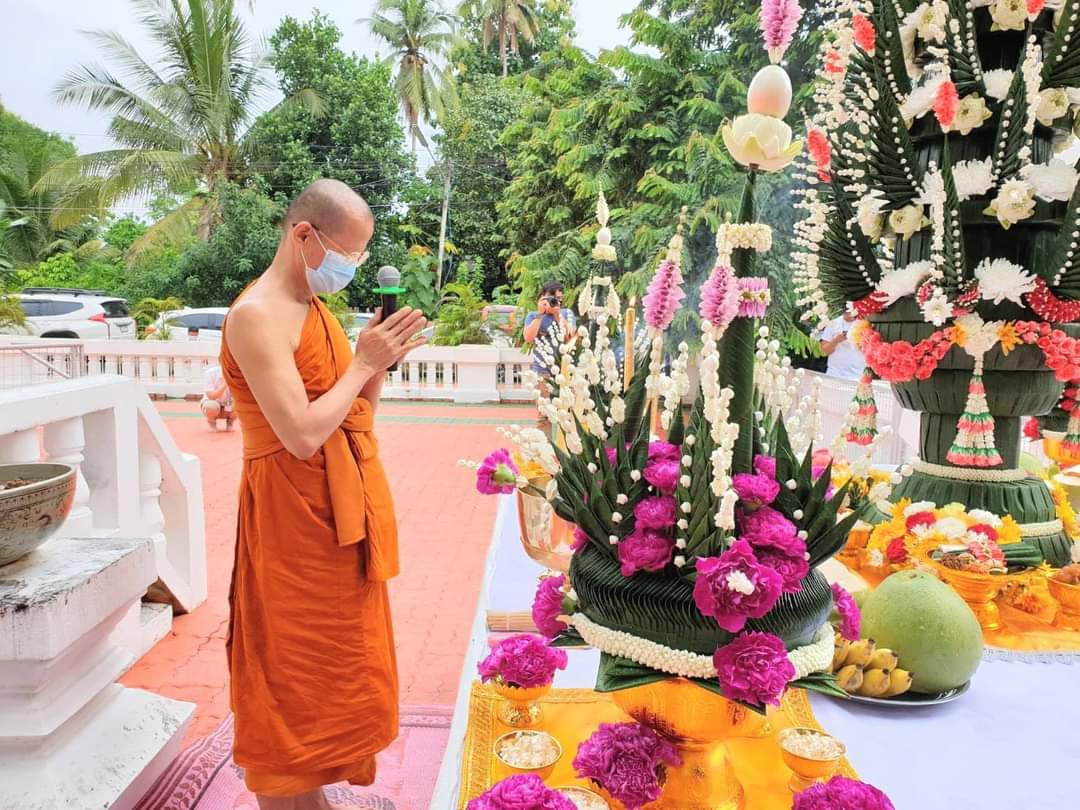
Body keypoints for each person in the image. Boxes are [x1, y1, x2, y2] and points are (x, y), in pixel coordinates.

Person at [219, 179, 427, 810]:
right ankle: (288, 797)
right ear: (303, 235)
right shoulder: (257, 314)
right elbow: (303, 434)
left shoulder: (316, 308)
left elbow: (353, 411)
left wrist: (375, 364)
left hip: (343, 511)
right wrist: (363, 363)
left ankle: (317, 792)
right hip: (289, 515)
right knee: (290, 661)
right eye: (347, 252)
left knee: (340, 660)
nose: (352, 267)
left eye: (361, 257)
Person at [522, 281, 576, 430]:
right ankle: (543, 451)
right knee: (543, 415)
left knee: (568, 414)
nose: (554, 302)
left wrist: (558, 315)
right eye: (551, 298)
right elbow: (528, 338)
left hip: (565, 371)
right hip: (542, 371)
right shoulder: (533, 315)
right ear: (542, 298)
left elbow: (571, 338)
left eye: (558, 299)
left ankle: (568, 450)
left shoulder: (567, 314)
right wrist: (540, 315)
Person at [815, 308, 865, 380]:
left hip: (858, 374)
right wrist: (836, 341)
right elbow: (824, 351)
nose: (848, 310)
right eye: (846, 308)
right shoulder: (832, 324)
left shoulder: (865, 323)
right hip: (835, 373)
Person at [201, 364, 234, 431]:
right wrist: (225, 384)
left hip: (228, 405)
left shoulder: (238, 373)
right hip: (213, 403)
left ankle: (230, 422)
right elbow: (211, 396)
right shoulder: (210, 373)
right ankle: (211, 421)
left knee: (240, 404)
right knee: (210, 406)